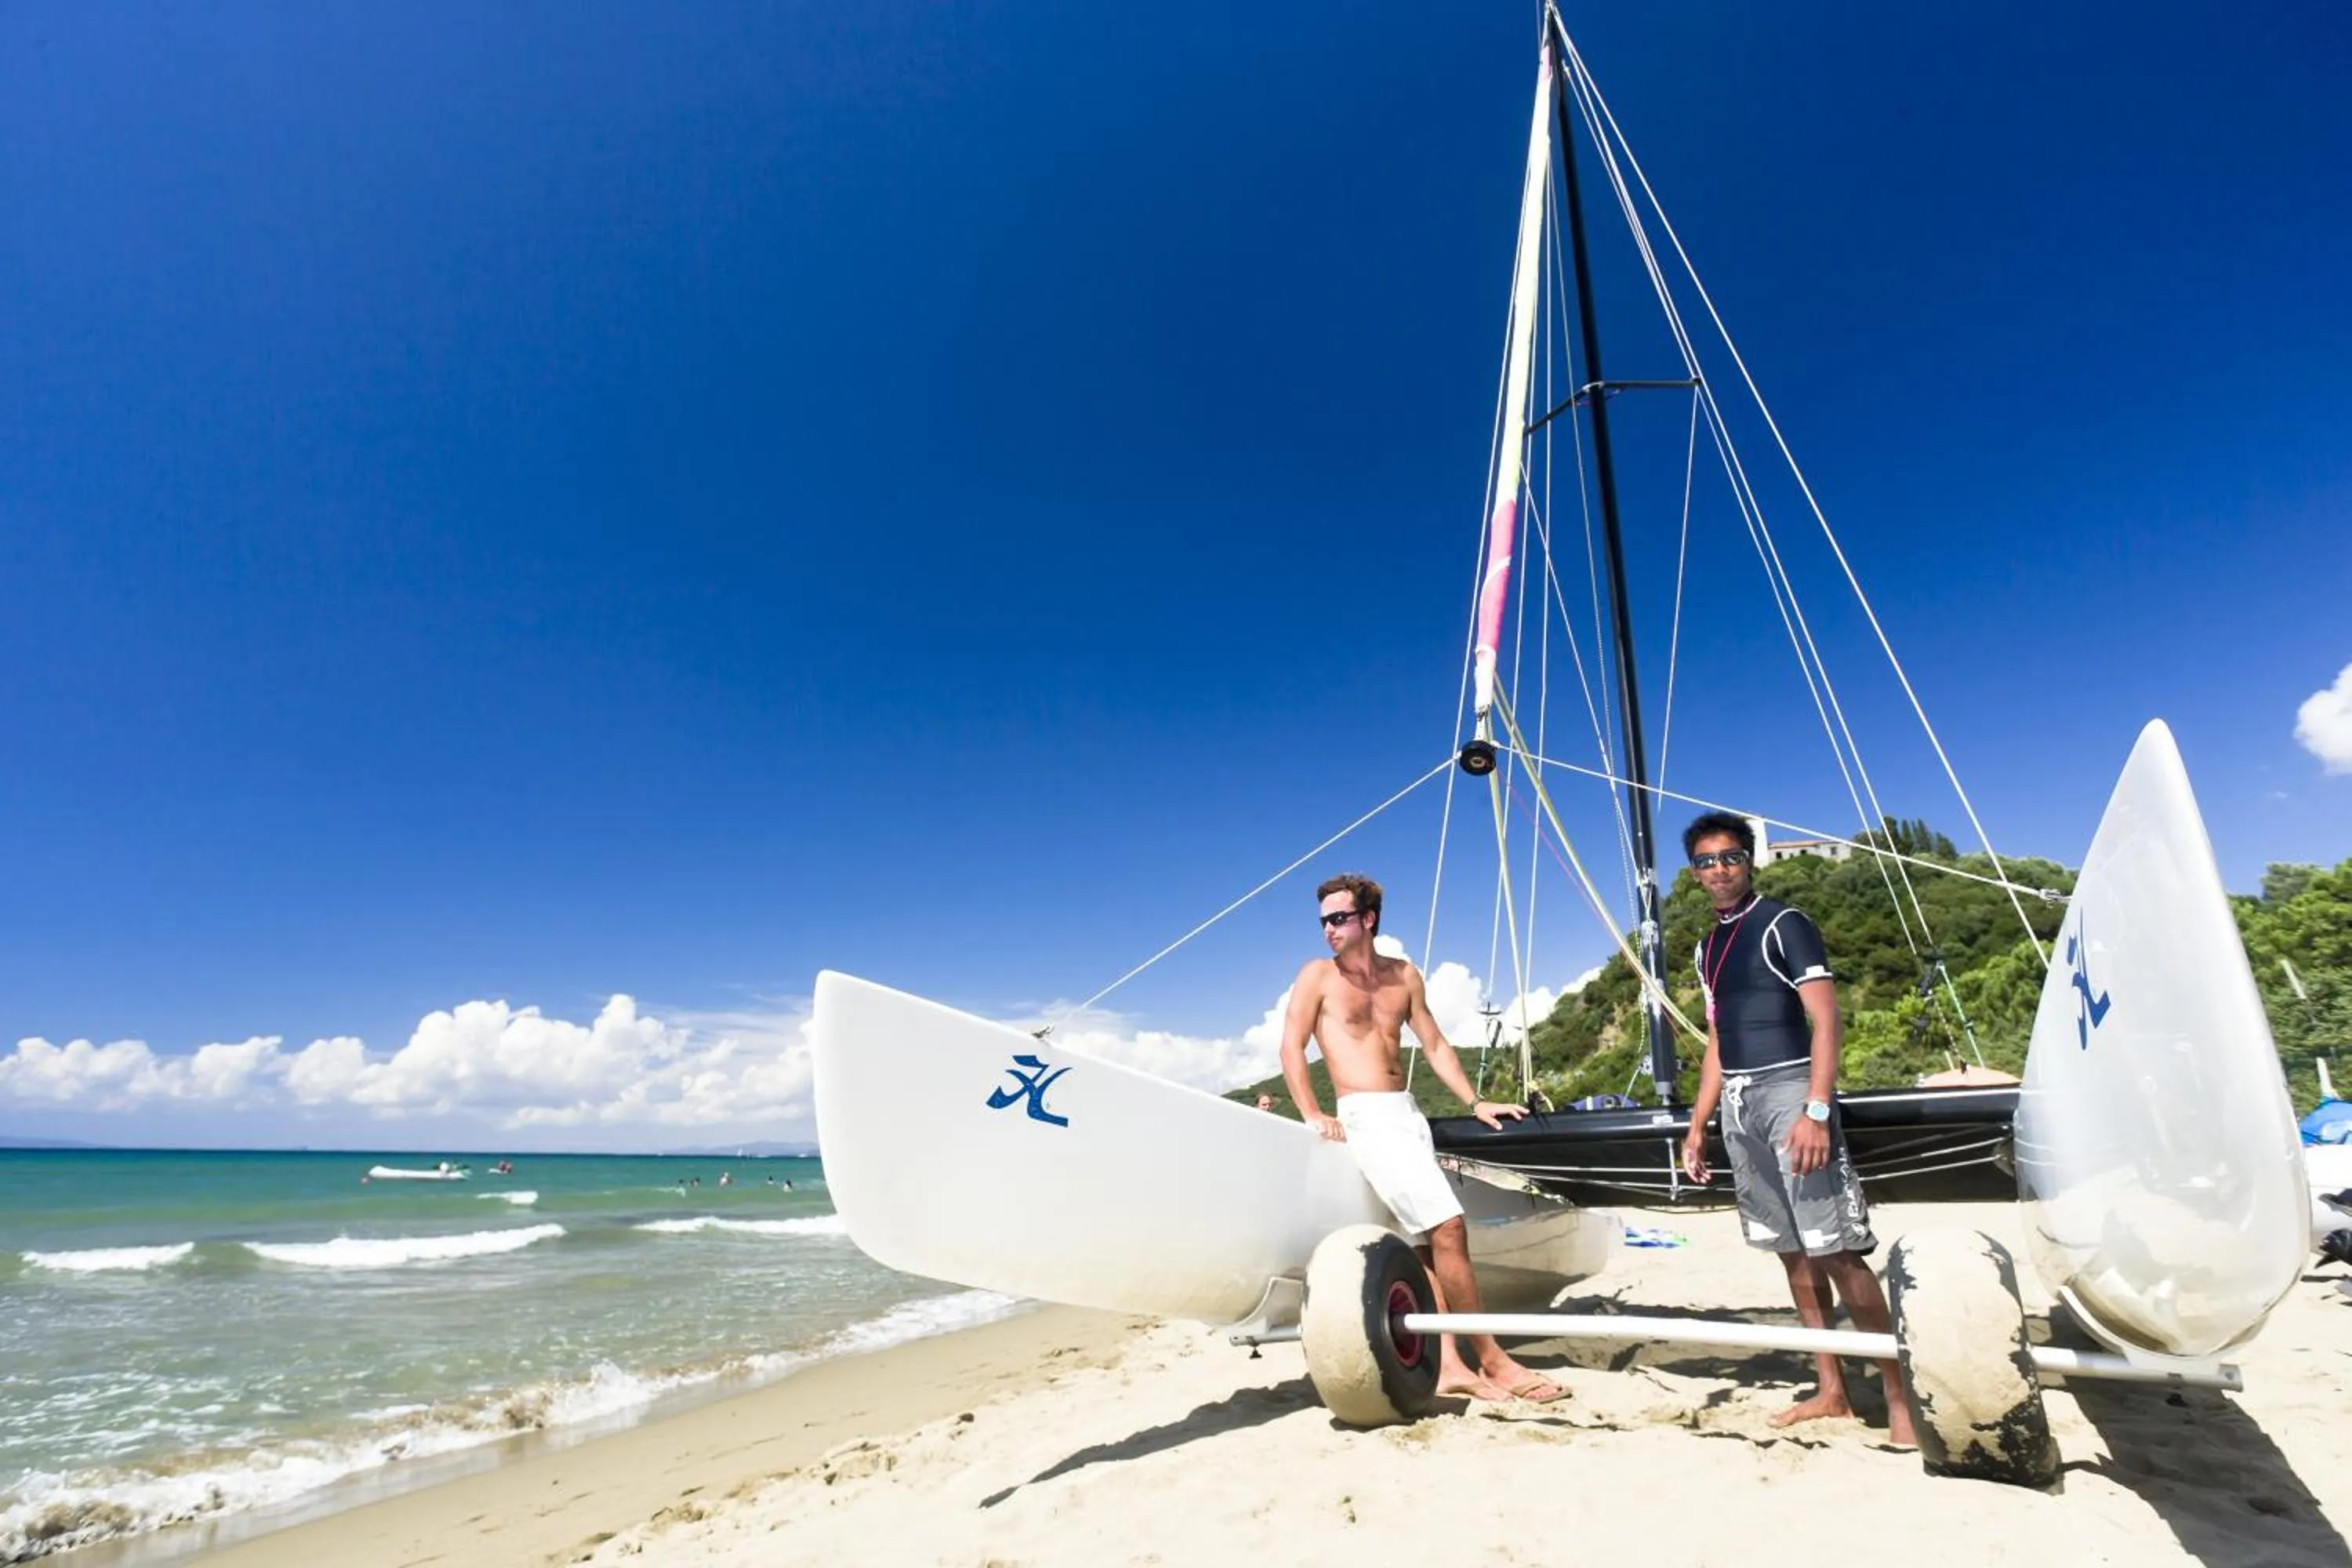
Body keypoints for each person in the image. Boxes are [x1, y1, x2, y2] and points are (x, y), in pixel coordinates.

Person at [1280, 872, 1566, 1405]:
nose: (1328, 930)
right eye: (1322, 921)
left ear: (1367, 920)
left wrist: (1475, 1103)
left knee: (1428, 1244)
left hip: (1406, 1116)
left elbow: (1433, 1045)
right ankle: (1496, 1360)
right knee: (1449, 1226)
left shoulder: (1404, 977)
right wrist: (1313, 1111)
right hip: (1364, 1116)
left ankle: (1451, 1366)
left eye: (1338, 918)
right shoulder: (1317, 976)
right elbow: (1292, 1048)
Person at [1676, 811, 1916, 1445]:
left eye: (1729, 857)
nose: (1719, 870)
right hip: (1738, 1101)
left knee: (1834, 1247)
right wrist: (1698, 1126)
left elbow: (1826, 1022)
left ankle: (1898, 1399)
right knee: (1789, 1250)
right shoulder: (1706, 948)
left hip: (1790, 1092)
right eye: (1706, 861)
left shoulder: (1785, 925)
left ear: (1748, 861)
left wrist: (1816, 1109)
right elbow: (1717, 1041)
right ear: (1694, 874)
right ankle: (1831, 1388)